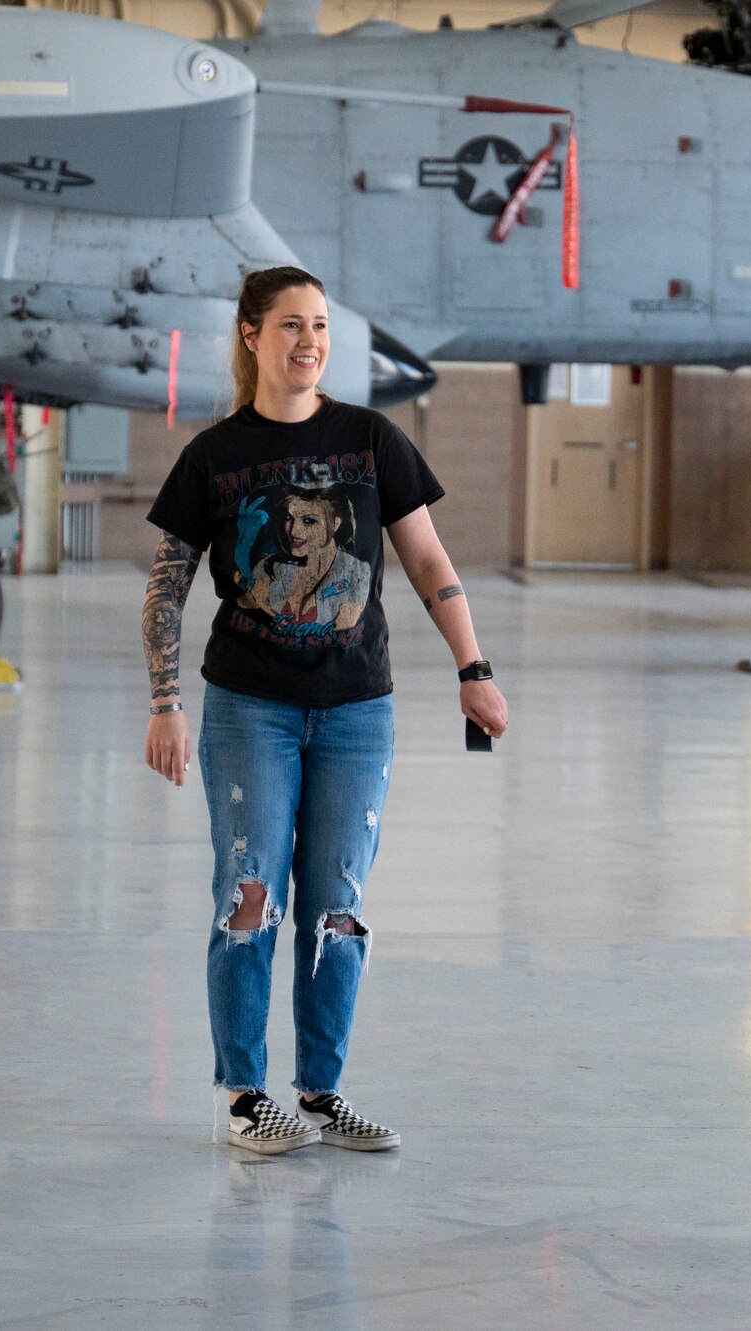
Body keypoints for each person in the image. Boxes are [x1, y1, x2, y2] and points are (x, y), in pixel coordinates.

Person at [141, 266, 508, 1155]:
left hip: (355, 712)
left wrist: (474, 665)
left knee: (337, 906)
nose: (310, 341)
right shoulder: (214, 455)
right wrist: (165, 701)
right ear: (251, 336)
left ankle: (321, 1090)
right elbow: (166, 586)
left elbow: (425, 559)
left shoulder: (372, 439)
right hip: (248, 709)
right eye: (292, 325)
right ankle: (243, 1095)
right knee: (248, 896)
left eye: (321, 326)